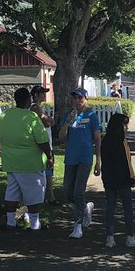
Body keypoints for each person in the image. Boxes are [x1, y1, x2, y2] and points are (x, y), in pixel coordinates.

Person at [0, 86, 53, 231]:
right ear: (28, 100)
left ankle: (10, 222)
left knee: (12, 193)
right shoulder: (31, 117)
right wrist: (49, 156)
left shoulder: (4, 115)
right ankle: (35, 224)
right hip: (30, 163)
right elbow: (42, 141)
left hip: (10, 162)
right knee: (34, 194)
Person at [59, 87, 102, 238]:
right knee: (67, 191)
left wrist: (98, 160)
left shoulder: (91, 116)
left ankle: (77, 225)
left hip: (85, 158)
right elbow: (61, 137)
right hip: (70, 158)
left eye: (80, 98)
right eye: (74, 98)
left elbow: (97, 138)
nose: (77, 101)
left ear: (85, 99)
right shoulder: (68, 116)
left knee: (78, 192)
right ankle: (85, 208)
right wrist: (67, 122)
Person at [99, 112, 135, 249]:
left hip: (108, 177)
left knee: (110, 208)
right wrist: (132, 177)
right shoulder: (122, 142)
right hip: (123, 178)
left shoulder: (105, 140)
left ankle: (110, 237)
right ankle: (130, 236)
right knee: (127, 208)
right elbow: (126, 162)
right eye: (125, 125)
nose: (127, 128)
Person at [31, 84, 58, 205]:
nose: (44, 96)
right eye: (42, 93)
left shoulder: (38, 107)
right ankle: (49, 198)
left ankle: (48, 196)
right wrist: (50, 120)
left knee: (48, 171)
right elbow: (46, 121)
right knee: (47, 169)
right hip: (43, 143)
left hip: (46, 141)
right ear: (35, 95)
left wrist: (49, 120)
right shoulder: (35, 107)